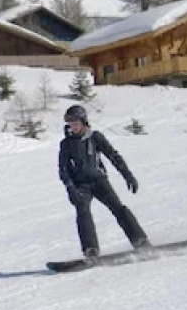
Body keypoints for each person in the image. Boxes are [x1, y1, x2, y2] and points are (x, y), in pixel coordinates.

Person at [58, 104, 150, 260]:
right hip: (82, 186)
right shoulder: (66, 144)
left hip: (99, 181)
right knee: (83, 212)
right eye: (70, 123)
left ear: (83, 122)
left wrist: (127, 175)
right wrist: (70, 189)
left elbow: (114, 156)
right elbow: (63, 169)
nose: (72, 126)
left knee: (118, 208)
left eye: (75, 123)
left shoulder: (95, 137)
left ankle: (140, 241)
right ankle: (90, 250)